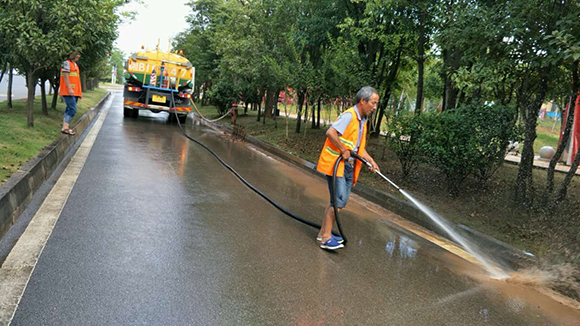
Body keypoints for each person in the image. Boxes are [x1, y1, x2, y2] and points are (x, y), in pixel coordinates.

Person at [315, 86, 380, 250]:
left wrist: (370, 160)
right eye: (373, 103)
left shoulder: (361, 121)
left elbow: (357, 147)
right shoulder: (349, 116)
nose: (374, 107)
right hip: (337, 165)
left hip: (348, 166)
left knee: (337, 202)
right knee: (338, 202)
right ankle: (326, 238)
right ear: (362, 101)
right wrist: (343, 150)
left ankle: (323, 233)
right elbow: (331, 133)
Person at [60, 50, 82, 135]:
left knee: (69, 109)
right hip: (68, 91)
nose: (78, 56)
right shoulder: (66, 63)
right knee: (72, 109)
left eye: (79, 54)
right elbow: (65, 76)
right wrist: (69, 88)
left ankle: (65, 127)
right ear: (71, 55)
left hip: (74, 92)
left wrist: (79, 92)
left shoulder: (75, 65)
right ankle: (65, 127)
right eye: (77, 54)